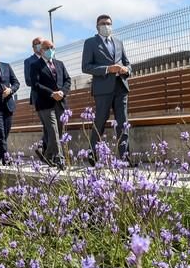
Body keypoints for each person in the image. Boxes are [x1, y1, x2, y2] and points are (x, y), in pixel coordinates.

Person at [81, 14, 132, 163]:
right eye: (103, 23)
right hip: (102, 90)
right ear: (97, 26)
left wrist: (126, 70)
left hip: (121, 87)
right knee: (100, 122)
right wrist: (107, 69)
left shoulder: (118, 42)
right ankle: (93, 155)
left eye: (109, 23)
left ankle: (125, 158)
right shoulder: (90, 43)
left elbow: (128, 64)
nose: (106, 26)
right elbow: (86, 67)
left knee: (123, 123)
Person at [29, 40, 71, 170]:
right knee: (53, 132)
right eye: (47, 48)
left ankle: (47, 157)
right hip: (45, 104)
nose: (50, 50)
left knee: (59, 131)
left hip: (60, 102)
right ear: (41, 50)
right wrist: (52, 93)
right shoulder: (35, 65)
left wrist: (62, 92)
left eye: (52, 47)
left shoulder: (60, 64)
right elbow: (36, 84)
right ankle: (60, 160)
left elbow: (67, 80)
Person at [24, 36, 49, 163]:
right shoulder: (29, 61)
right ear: (33, 47)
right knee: (47, 123)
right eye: (35, 44)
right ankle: (43, 148)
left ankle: (44, 149)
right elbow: (29, 81)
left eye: (40, 43)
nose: (38, 45)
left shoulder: (49, 58)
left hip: (52, 96)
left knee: (50, 124)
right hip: (39, 96)